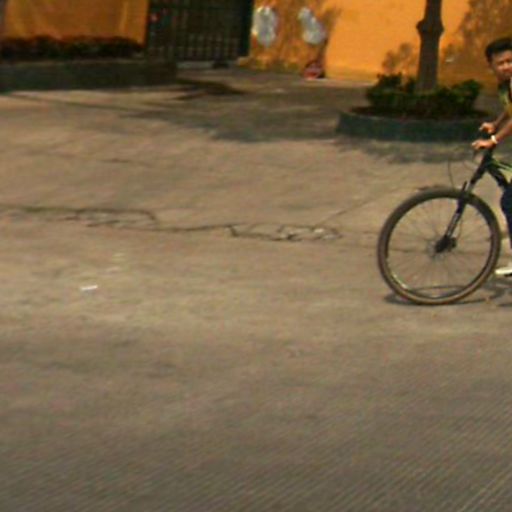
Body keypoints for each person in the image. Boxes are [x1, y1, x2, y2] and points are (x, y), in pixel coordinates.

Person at [472, 37, 512, 276]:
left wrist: (494, 140)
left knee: (510, 201)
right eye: (501, 63)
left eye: (510, 61)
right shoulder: (505, 85)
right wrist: (495, 124)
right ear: (491, 66)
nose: (506, 66)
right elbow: (510, 109)